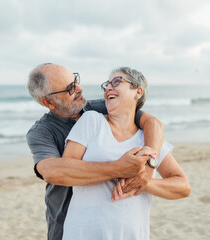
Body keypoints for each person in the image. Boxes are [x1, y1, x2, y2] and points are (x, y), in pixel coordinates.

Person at [26, 63, 165, 240]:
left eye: (75, 81)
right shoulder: (41, 132)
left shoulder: (101, 108)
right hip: (65, 222)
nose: (79, 88)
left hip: (108, 221)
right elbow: (52, 172)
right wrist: (119, 168)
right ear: (48, 102)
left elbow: (153, 123)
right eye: (70, 88)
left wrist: (148, 169)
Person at [61, 67, 190, 239]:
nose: (108, 88)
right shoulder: (92, 121)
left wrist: (143, 182)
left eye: (116, 82)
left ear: (138, 91)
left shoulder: (149, 139)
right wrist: (119, 169)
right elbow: (65, 170)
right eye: (106, 85)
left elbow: (183, 187)